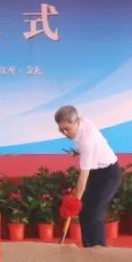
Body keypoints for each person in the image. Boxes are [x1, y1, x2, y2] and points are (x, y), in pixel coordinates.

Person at [54, 105, 122, 247]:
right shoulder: (82, 122)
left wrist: (75, 201)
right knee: (86, 211)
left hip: (109, 175)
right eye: (61, 129)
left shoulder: (87, 142)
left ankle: (97, 250)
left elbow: (84, 176)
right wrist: (77, 152)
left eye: (67, 129)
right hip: (97, 171)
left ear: (77, 122)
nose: (64, 133)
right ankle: (89, 248)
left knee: (93, 213)